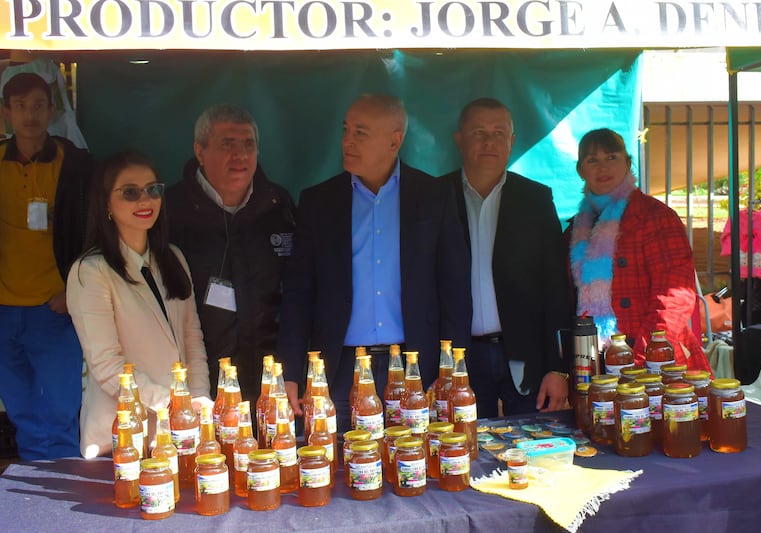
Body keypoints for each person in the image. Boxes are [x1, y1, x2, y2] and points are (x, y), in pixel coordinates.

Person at [277, 94, 472, 432]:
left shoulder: (433, 196)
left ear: (395, 141)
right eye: (345, 130)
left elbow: (455, 291)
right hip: (339, 371)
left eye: (361, 133)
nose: (347, 141)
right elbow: (298, 295)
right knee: (339, 471)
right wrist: (291, 373)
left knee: (414, 471)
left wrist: (450, 373)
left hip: (416, 368)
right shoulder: (318, 202)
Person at [67, 151, 210, 458]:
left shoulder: (174, 258)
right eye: (130, 192)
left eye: (153, 189)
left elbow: (192, 341)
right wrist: (170, 403)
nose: (145, 200)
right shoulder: (90, 271)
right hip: (122, 438)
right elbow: (106, 364)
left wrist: (197, 399)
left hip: (180, 432)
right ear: (106, 202)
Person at [441, 98, 572, 418]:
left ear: (512, 142)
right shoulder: (434, 197)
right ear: (460, 139)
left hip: (526, 359)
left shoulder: (535, 199)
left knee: (530, 456)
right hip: (457, 359)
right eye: (479, 132)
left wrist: (559, 369)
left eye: (499, 133)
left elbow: (556, 288)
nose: (489, 142)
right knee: (464, 457)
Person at [166, 104, 295, 411]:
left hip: (272, 382)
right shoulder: (170, 210)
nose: (240, 155)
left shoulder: (279, 206)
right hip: (201, 385)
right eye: (228, 144)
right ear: (200, 151)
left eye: (248, 144)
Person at [0, 72, 92, 460]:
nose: (30, 115)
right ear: (6, 113)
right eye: (20, 106)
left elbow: (95, 231)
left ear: (52, 110)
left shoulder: (75, 164)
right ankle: (34, 504)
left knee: (59, 413)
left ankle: (63, 500)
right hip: (4, 309)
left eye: (38, 105)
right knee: (21, 412)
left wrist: (74, 289)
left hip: (55, 307)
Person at [568, 128, 712, 372]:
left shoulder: (655, 217)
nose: (603, 168)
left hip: (653, 359)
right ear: (581, 170)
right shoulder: (575, 229)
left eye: (611, 157)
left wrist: (645, 357)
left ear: (627, 162)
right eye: (593, 160)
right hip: (594, 359)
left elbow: (674, 297)